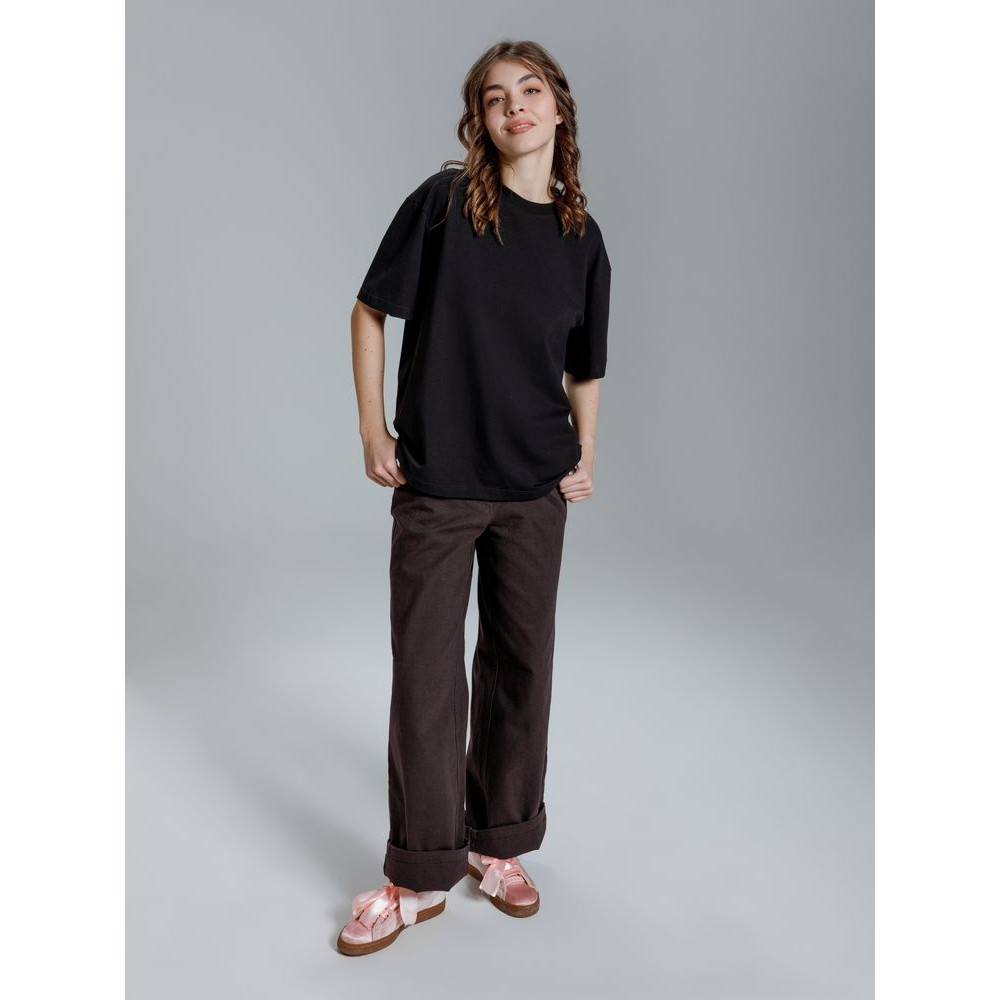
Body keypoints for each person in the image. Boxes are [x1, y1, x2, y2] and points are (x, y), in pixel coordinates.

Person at [339, 39, 612, 956]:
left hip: (535, 489)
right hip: (440, 482)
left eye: (530, 90)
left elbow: (584, 367)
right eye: (495, 97)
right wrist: (373, 430)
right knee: (426, 674)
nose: (514, 106)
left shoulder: (583, 239)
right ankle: (419, 872)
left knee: (521, 666)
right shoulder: (445, 204)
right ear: (480, 120)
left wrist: (587, 452)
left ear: (558, 108)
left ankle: (499, 845)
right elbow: (369, 309)